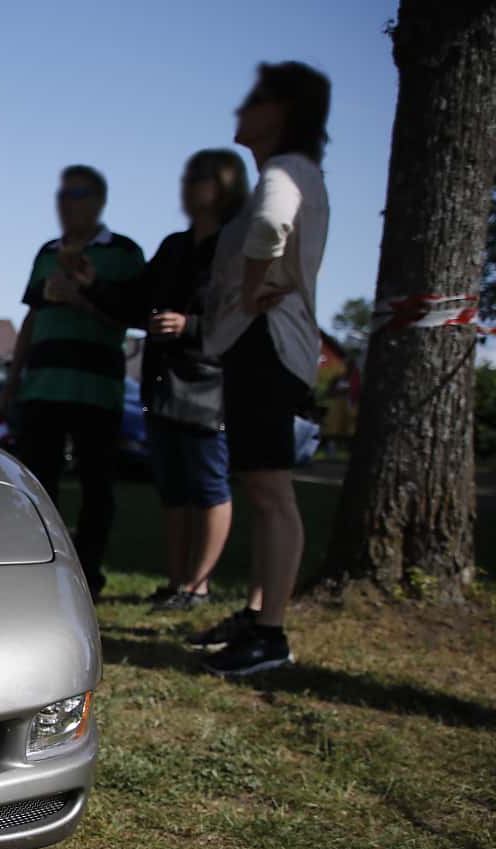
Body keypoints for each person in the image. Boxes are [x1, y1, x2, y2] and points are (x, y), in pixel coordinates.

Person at [187, 62, 332, 676]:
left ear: (283, 111)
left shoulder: (284, 170)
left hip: (267, 345)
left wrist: (249, 292)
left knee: (271, 494)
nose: (240, 112)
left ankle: (270, 635)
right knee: (262, 490)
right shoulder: (291, 173)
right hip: (262, 347)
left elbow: (272, 224)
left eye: (255, 100)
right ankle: (257, 615)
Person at [82, 149, 248, 611]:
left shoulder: (236, 246)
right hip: (163, 381)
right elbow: (136, 304)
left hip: (209, 382)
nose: (188, 187)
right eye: (187, 178)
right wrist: (93, 283)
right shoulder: (175, 246)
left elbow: (244, 310)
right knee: (174, 488)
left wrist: (189, 326)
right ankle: (177, 582)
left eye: (200, 179)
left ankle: (199, 585)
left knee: (209, 485)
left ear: (225, 188)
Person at [0, 165, 147, 601]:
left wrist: (83, 298)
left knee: (96, 484)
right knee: (36, 483)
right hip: (42, 387)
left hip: (96, 391)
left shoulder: (123, 253)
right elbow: (32, 318)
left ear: (99, 201)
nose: (66, 203)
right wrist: (13, 378)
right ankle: (38, 566)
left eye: (77, 194)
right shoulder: (46, 252)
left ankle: (88, 575)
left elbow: (133, 316)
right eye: (62, 195)